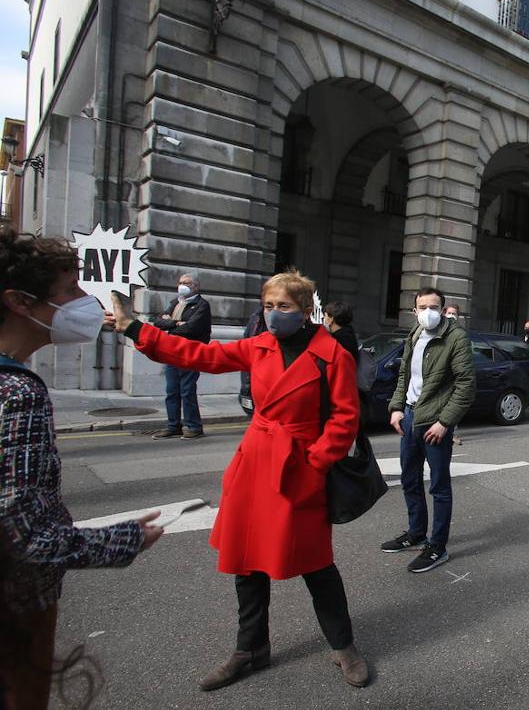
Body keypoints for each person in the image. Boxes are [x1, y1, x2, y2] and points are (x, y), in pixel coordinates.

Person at [111, 268, 368, 689]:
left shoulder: (332, 353)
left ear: (305, 311)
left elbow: (345, 419)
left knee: (317, 565)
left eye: (283, 306)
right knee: (248, 563)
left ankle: (343, 646)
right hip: (254, 464)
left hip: (300, 467)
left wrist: (316, 464)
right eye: (268, 306)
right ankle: (250, 649)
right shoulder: (258, 346)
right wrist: (135, 329)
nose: (273, 314)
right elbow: (200, 355)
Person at [0, 227, 163, 709]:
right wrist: (125, 539)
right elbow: (23, 534)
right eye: (70, 291)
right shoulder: (18, 393)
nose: (83, 302)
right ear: (19, 302)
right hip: (15, 608)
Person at [381, 287, 476, 573]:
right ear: (414, 310)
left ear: (443, 309)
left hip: (435, 422)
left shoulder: (456, 337)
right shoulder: (414, 335)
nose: (428, 312)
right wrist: (396, 407)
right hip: (410, 418)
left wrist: (445, 422)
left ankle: (438, 546)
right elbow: (404, 376)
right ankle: (416, 533)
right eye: (422, 307)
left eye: (433, 306)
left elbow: (466, 385)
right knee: (410, 480)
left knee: (439, 487)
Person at [150, 273, 212, 440]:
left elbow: (191, 328)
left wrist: (171, 324)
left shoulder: (201, 305)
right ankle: (173, 426)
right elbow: (157, 322)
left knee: (187, 390)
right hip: (172, 352)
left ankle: (194, 426)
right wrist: (176, 323)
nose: (181, 285)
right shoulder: (175, 302)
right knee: (172, 391)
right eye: (180, 282)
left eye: (186, 283)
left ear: (196, 287)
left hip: (190, 352)